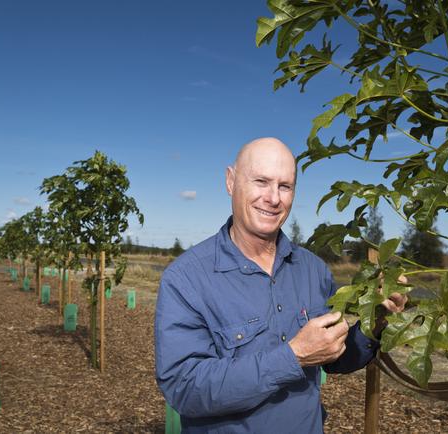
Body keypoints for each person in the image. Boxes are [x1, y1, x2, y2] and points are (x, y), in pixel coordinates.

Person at [155, 137, 407, 433]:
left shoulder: (313, 270)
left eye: (284, 186)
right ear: (230, 181)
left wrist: (374, 321)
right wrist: (293, 356)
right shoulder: (185, 279)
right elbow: (185, 389)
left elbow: (334, 359)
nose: (273, 198)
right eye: (261, 181)